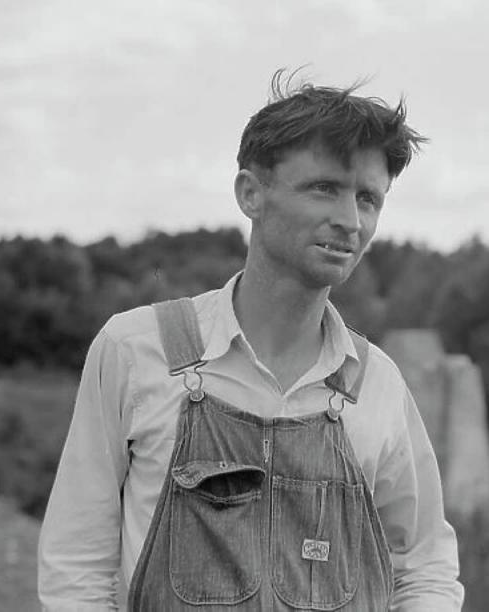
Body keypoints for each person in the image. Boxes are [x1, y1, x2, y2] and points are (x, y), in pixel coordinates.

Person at [38, 70, 464, 611]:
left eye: (368, 199)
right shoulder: (137, 351)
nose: (349, 220)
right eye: (323, 188)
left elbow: (424, 567)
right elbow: (77, 563)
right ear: (251, 194)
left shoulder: (375, 383)